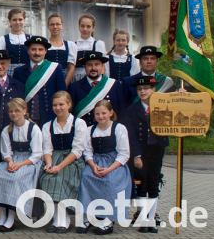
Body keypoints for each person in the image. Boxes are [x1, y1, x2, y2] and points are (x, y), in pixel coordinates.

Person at [0, 98, 43, 232]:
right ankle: (2, 216)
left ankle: (11, 217)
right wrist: (10, 162)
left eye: (17, 110)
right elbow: (6, 152)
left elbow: (37, 154)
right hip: (13, 159)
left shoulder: (34, 129)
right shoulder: (7, 130)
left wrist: (19, 165)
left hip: (29, 161)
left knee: (15, 179)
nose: (14, 113)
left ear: (25, 111)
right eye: (11, 111)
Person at [76, 101, 132, 235]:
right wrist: (92, 165)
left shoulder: (119, 128)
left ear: (111, 113)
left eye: (104, 113)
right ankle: (87, 217)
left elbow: (124, 153)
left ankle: (108, 219)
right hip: (96, 161)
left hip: (114, 164)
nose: (101, 116)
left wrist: (109, 169)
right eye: (98, 114)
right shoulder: (90, 130)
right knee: (86, 177)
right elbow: (87, 151)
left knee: (110, 183)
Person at [122, 76, 169, 233]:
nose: (143, 91)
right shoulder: (131, 110)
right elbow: (132, 135)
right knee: (141, 184)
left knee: (153, 182)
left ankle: (151, 219)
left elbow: (178, 109)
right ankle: (142, 219)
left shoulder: (162, 106)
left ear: (153, 90)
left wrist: (181, 94)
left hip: (156, 149)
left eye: (146, 88)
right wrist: (136, 155)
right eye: (140, 89)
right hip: (141, 151)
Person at [39, 91, 87, 233]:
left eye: (61, 104)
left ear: (69, 105)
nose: (58, 108)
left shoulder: (79, 123)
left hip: (72, 161)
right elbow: (47, 149)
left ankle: (65, 221)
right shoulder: (48, 125)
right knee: (47, 178)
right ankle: (57, 219)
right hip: (54, 159)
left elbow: (78, 150)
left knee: (59, 178)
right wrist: (49, 163)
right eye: (55, 105)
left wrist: (59, 166)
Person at [13, 36, 66, 125]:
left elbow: (62, 93)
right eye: (33, 49)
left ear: (45, 51)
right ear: (28, 51)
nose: (37, 53)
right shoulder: (18, 71)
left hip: (49, 116)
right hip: (26, 118)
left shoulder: (55, 68)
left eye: (40, 50)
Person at [68, 51, 127, 127]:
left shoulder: (114, 85)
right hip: (85, 133)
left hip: (109, 133)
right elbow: (71, 115)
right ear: (85, 67)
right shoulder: (74, 87)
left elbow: (122, 113)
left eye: (97, 64)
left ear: (102, 66)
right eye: (89, 65)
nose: (93, 68)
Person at [0, 8, 30, 77]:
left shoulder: (30, 39)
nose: (17, 22)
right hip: (9, 73)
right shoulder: (3, 39)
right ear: (9, 21)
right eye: (14, 20)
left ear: (24, 20)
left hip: (27, 72)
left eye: (20, 19)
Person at [73, 13, 107, 82]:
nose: (85, 29)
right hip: (76, 78)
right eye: (82, 26)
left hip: (94, 78)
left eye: (88, 26)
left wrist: (100, 82)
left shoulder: (98, 44)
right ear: (79, 27)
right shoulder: (73, 45)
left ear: (93, 28)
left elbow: (103, 66)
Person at [45, 13, 76, 84]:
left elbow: (71, 68)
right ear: (48, 26)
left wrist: (65, 85)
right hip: (47, 78)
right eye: (52, 24)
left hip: (64, 78)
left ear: (62, 25)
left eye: (58, 24)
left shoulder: (69, 45)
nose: (55, 27)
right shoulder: (44, 44)